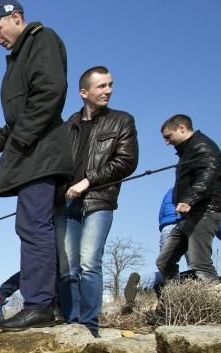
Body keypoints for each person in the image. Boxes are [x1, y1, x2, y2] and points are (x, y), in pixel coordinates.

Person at [0, 1, 73, 332]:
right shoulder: (15, 59)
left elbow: (49, 94)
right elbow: (18, 118)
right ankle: (48, 302)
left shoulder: (42, 40)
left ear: (16, 18)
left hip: (40, 155)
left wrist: (19, 142)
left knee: (32, 226)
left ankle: (40, 304)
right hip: (31, 150)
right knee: (36, 227)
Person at [53, 66, 138, 336]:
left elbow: (126, 161)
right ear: (84, 92)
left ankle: (89, 325)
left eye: (110, 85)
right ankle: (71, 322)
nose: (109, 90)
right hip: (65, 204)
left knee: (90, 263)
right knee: (67, 266)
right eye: (102, 86)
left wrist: (87, 181)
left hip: (99, 201)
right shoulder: (68, 126)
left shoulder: (122, 121)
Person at [123, 187, 221, 310]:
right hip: (189, 224)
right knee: (197, 268)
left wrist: (166, 226)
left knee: (166, 268)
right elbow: (216, 212)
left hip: (167, 228)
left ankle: (141, 282)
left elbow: (162, 214)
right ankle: (204, 304)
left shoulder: (172, 191)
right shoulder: (202, 187)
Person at [155, 114, 221, 284]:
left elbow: (208, 175)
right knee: (164, 261)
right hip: (187, 217)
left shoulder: (202, 146)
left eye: (168, 137)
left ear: (182, 129)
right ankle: (178, 298)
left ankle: (213, 304)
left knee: (200, 264)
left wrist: (189, 200)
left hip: (204, 213)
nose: (166, 142)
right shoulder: (187, 151)